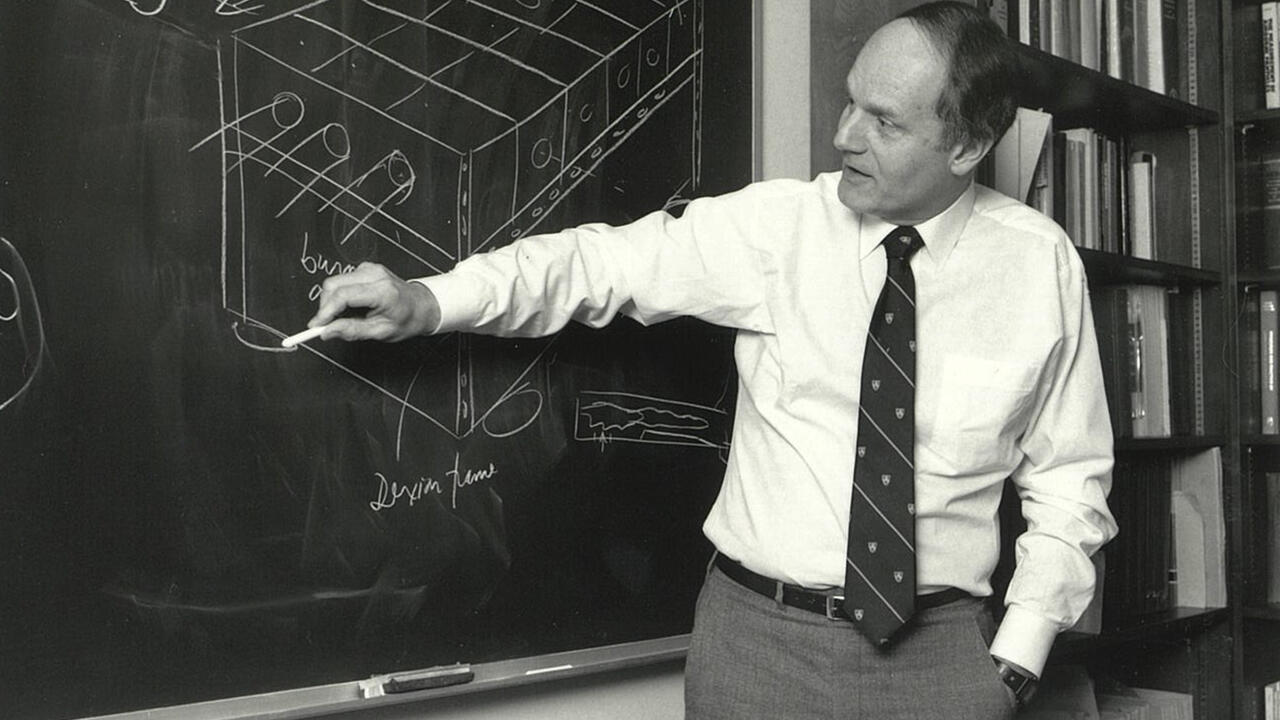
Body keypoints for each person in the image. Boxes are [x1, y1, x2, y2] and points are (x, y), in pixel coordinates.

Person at [306, 2, 1117, 718]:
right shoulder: (778, 229)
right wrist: (429, 299)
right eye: (848, 103)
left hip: (942, 660)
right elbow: (600, 266)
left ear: (970, 144)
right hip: (756, 649)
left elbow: (1070, 478)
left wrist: (1016, 657)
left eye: (885, 121)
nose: (844, 137)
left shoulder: (1037, 265)